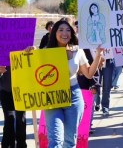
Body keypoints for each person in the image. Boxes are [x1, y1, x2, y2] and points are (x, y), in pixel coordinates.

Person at [25, 20, 103, 148]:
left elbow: (89, 74)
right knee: (55, 141)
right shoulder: (45, 52)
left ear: (72, 34)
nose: (64, 33)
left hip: (74, 96)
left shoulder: (78, 51)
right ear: (54, 32)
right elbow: (33, 71)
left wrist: (99, 55)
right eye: (60, 30)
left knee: (69, 141)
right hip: (52, 97)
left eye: (68, 30)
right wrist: (31, 53)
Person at [0, 66, 27, 148]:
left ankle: (21, 145)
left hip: (22, 89)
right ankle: (7, 144)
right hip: (6, 90)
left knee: (21, 120)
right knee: (9, 120)